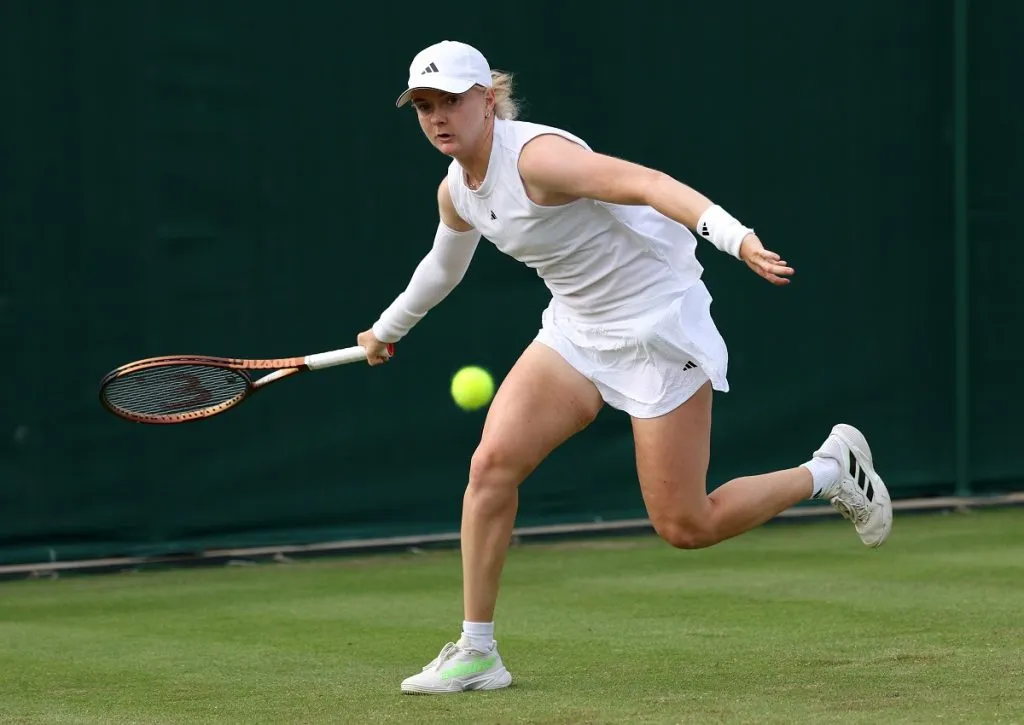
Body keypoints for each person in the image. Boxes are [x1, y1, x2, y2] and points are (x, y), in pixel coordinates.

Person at [356, 40, 893, 695]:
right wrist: (387, 330)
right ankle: (477, 650)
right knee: (491, 466)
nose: (438, 117)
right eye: (424, 106)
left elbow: (648, 184)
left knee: (685, 524)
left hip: (656, 328)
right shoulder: (457, 190)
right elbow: (443, 267)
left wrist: (736, 237)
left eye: (452, 101)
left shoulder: (539, 159)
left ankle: (831, 468)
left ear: (488, 101)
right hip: (577, 332)